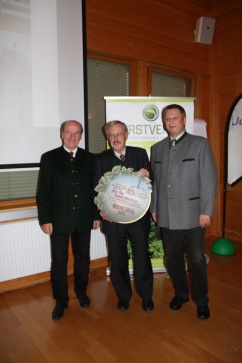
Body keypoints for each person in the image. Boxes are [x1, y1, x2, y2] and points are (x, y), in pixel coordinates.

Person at [150, 104, 218, 320]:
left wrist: (206, 210)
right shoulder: (157, 148)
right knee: (173, 260)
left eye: (175, 118)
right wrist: (154, 208)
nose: (171, 122)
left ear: (184, 119)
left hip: (193, 214)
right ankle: (181, 294)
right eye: (167, 119)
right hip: (166, 215)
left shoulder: (200, 144)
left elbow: (209, 179)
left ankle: (201, 300)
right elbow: (156, 183)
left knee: (197, 260)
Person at [37, 120, 101, 320]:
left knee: (83, 260)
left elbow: (95, 190)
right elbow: (43, 192)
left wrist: (96, 215)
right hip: (58, 220)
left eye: (76, 133)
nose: (72, 136)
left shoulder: (90, 158)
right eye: (68, 132)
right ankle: (61, 300)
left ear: (81, 135)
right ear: (61, 134)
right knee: (59, 262)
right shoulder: (49, 158)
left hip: (83, 218)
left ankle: (81, 293)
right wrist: (45, 219)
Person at [94, 120, 154, 312]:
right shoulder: (100, 159)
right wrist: (101, 210)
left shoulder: (140, 154)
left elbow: (151, 182)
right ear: (107, 138)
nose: (115, 138)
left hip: (138, 218)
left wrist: (147, 175)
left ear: (126, 135)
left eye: (118, 134)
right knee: (118, 259)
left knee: (142, 257)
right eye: (111, 135)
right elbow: (94, 190)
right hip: (113, 220)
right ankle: (124, 296)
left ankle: (146, 296)